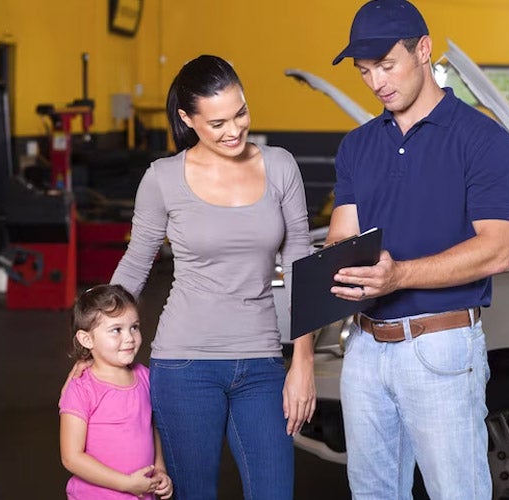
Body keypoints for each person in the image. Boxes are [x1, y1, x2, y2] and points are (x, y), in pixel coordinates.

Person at [327, 1, 509, 498]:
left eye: (386, 65)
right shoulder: (357, 146)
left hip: (441, 347)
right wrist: (331, 266)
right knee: (371, 493)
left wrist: (398, 275)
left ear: (423, 50)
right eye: (365, 71)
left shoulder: (483, 140)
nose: (376, 83)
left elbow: (498, 250)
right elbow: (342, 236)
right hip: (365, 348)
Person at [109, 55, 315, 499]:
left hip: (262, 361)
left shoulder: (280, 166)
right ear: (188, 119)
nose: (234, 130)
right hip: (184, 365)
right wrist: (95, 341)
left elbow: (300, 262)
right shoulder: (163, 178)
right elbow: (136, 263)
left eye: (240, 113)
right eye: (218, 122)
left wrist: (303, 361)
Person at [59, 284, 173, 499]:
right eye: (116, 330)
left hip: (141, 493)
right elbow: (71, 457)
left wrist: (160, 469)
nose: (129, 337)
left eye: (134, 327)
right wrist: (125, 484)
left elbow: (151, 427)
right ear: (87, 339)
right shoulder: (81, 389)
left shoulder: (145, 377)